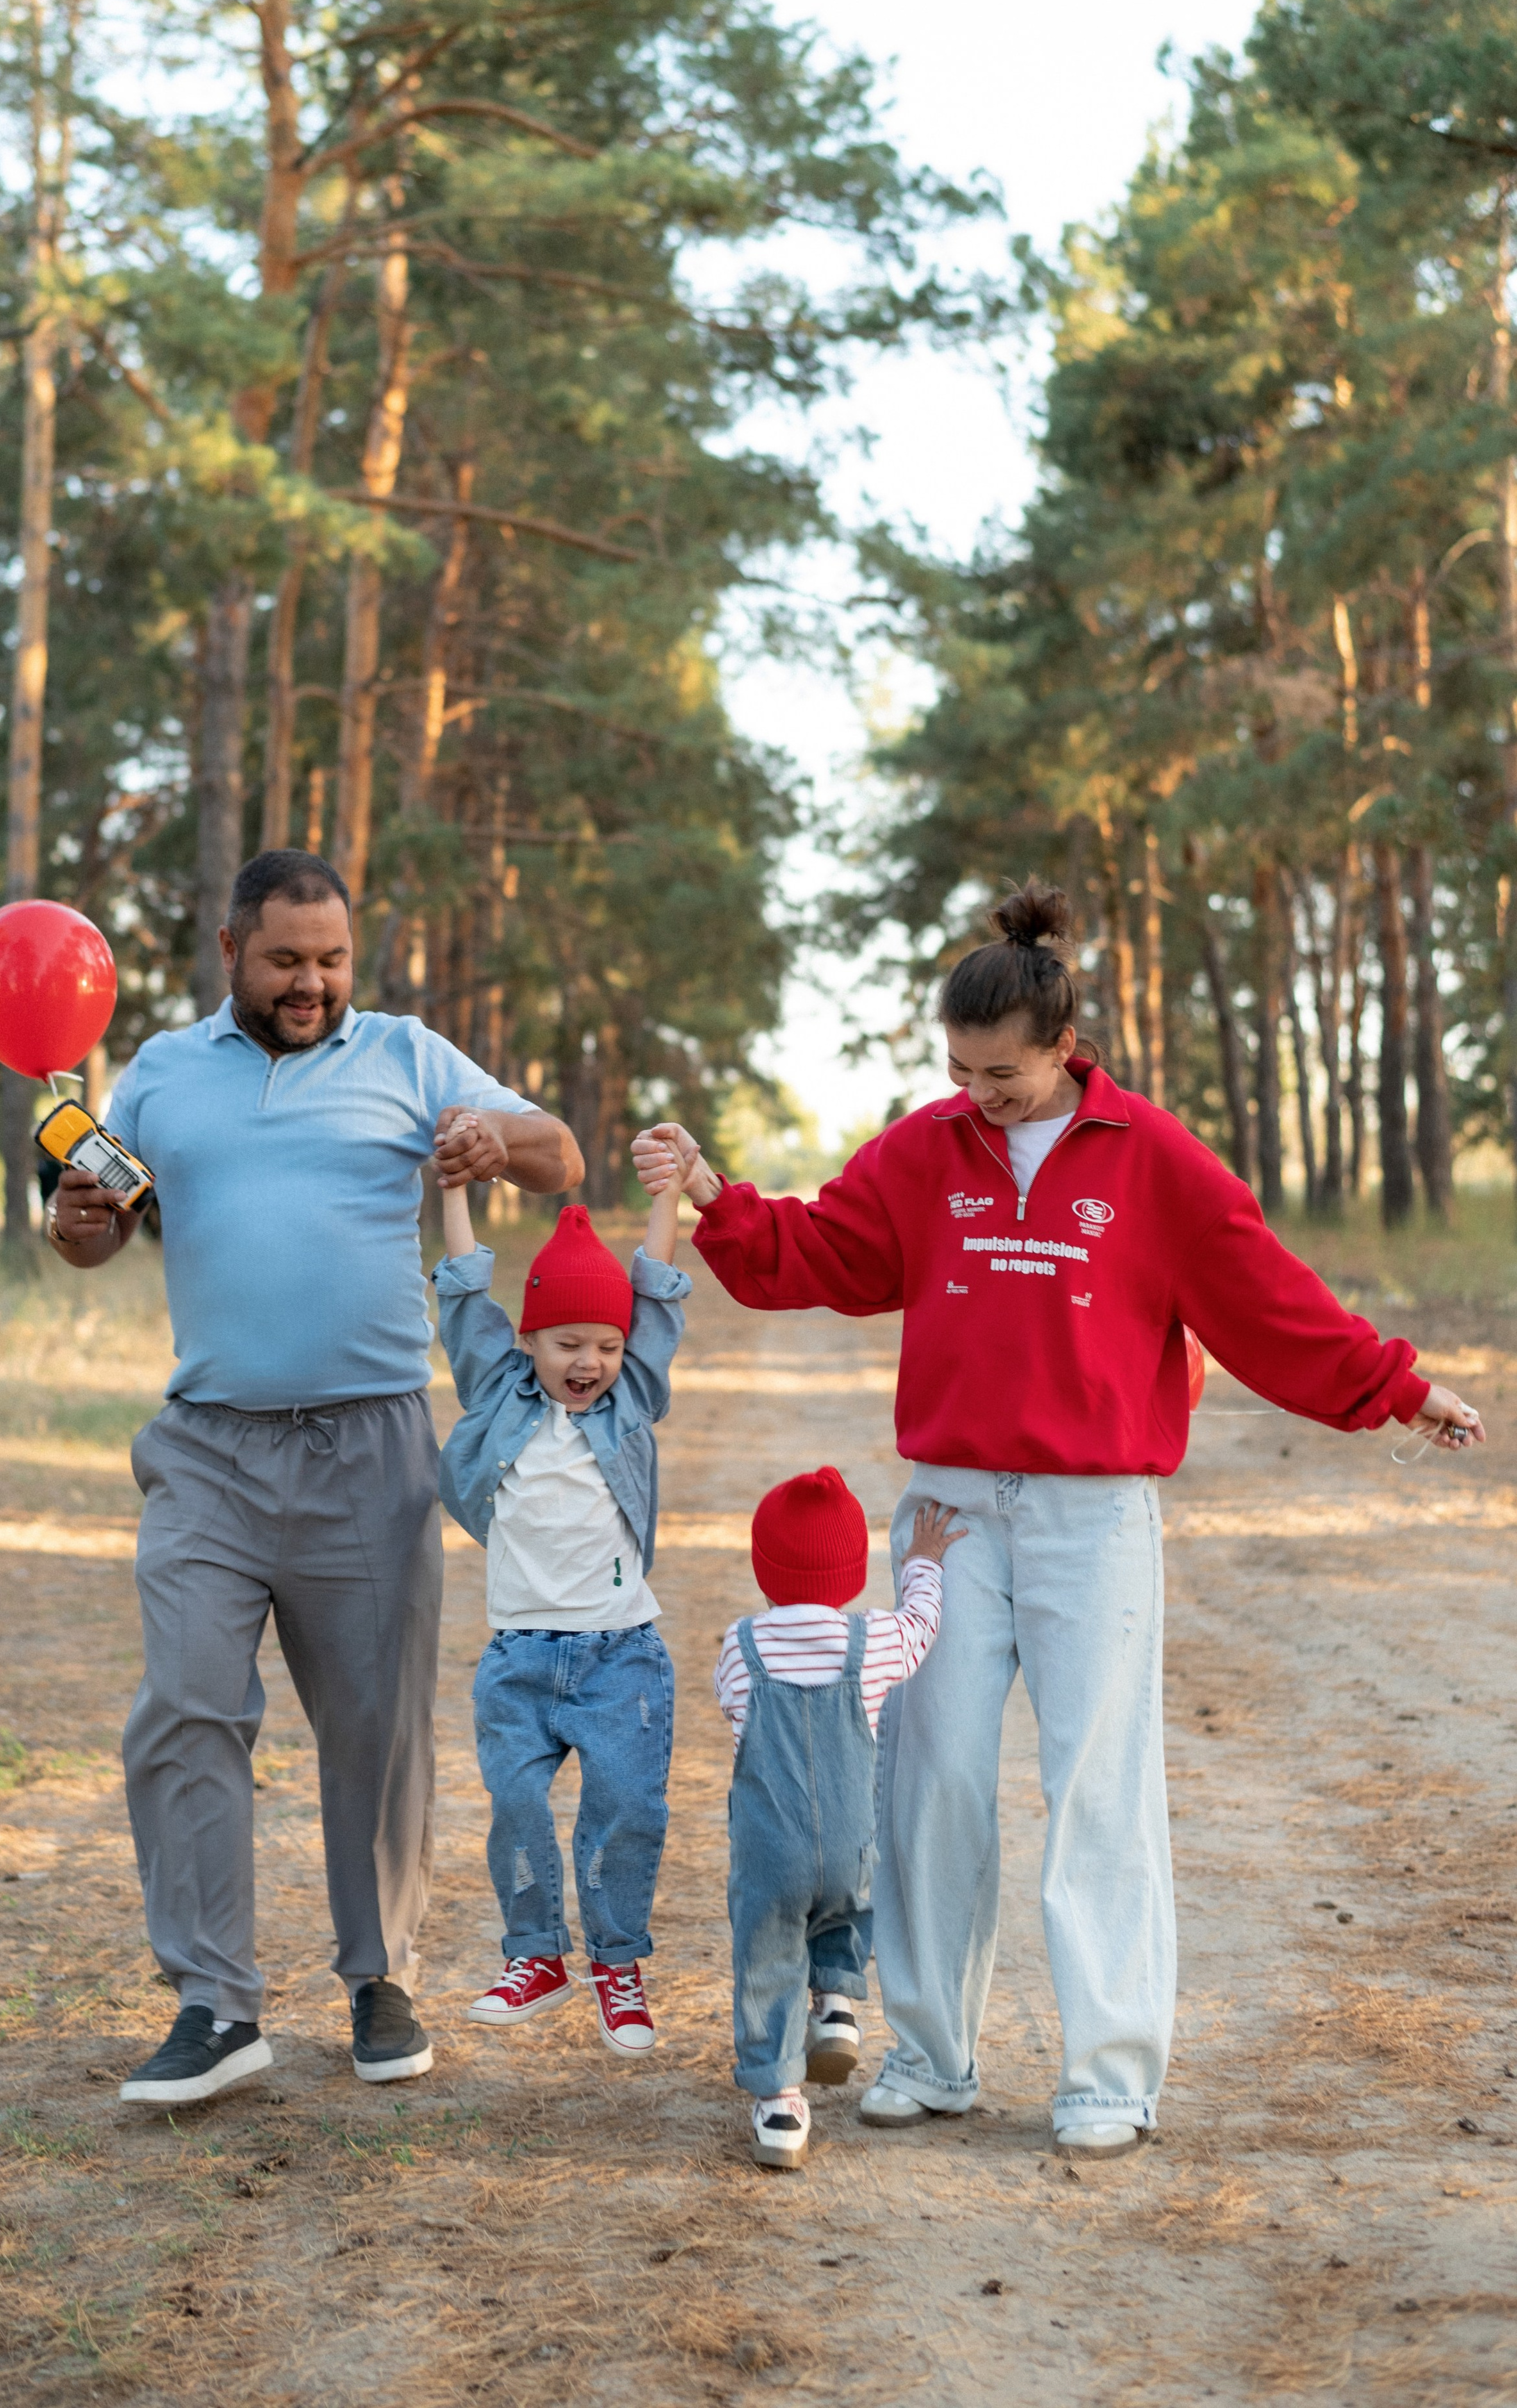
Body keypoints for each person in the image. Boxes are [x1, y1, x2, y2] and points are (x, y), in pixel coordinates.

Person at [633, 879, 1484, 2161]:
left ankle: (1110, 2072)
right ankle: (931, 2051)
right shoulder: (927, 1151)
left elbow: (1269, 1302)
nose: (984, 1094)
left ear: (1064, 1048)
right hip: (953, 1521)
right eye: (964, 1072)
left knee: (1099, 1791)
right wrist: (717, 1196)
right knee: (931, 1786)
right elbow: (826, 1252)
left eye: (1006, 1076)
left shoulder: (1155, 1160)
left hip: (1097, 1520)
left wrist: (1396, 1388)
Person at [46, 848, 582, 2106]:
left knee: (376, 1728)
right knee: (183, 1707)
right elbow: (96, 1222)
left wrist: (489, 1137)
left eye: (332, 960)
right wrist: (78, 1228)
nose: (313, 983)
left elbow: (555, 1150)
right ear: (230, 951)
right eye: (287, 959)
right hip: (210, 1452)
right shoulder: (163, 1075)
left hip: (370, 1449)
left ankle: (380, 1981)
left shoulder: (404, 1054)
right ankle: (215, 2005)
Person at [433, 1157, 690, 2054]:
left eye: (606, 1345)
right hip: (518, 1658)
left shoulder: (630, 1401)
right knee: (515, 1808)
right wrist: (453, 1187)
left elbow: (653, 1298)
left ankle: (617, 1965)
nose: (589, 1362)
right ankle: (535, 1955)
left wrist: (668, 1195)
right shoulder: (497, 1390)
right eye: (568, 1342)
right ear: (530, 1341)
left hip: (621, 1655)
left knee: (626, 1810)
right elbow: (465, 1295)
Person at [715, 1468, 963, 2170]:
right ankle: (837, 2003)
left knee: (766, 1961)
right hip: (850, 1843)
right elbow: (921, 1627)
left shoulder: (742, 1645)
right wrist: (923, 1564)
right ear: (850, 1575)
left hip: (769, 1848)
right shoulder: (872, 1642)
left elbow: (731, 1709)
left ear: (766, 1573)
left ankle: (779, 2105)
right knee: (848, 1908)